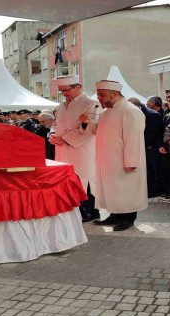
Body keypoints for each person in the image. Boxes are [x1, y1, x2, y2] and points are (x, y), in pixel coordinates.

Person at [91, 80, 148, 231]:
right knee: (113, 190)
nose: (99, 98)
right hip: (108, 160)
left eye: (102, 95)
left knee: (126, 190)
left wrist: (131, 161)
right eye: (98, 95)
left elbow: (133, 138)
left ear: (115, 94)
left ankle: (128, 219)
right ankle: (114, 215)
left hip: (123, 160)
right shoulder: (105, 112)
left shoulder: (130, 110)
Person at [50, 75, 101, 222]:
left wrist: (64, 138)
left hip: (81, 149)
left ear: (78, 87)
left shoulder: (91, 103)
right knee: (67, 178)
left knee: (85, 177)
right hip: (62, 148)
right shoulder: (61, 105)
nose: (64, 94)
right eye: (61, 91)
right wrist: (52, 134)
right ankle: (74, 209)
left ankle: (91, 210)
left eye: (66, 90)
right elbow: (55, 123)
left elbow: (90, 128)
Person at [129, 97, 163, 199]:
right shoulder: (135, 113)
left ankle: (154, 190)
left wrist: (140, 143)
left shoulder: (152, 115)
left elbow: (152, 134)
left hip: (152, 147)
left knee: (153, 170)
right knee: (146, 170)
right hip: (142, 145)